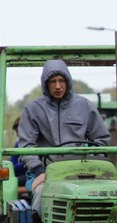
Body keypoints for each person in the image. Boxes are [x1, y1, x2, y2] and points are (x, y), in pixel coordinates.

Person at [17, 60, 109, 199]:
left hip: (82, 170)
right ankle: (39, 213)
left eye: (61, 81)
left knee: (104, 194)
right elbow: (26, 145)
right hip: (47, 172)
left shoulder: (84, 106)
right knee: (41, 195)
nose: (58, 86)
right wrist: (39, 171)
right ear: (45, 84)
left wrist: (92, 163)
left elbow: (101, 139)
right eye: (53, 81)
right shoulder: (33, 109)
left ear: (68, 82)